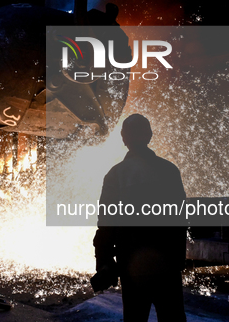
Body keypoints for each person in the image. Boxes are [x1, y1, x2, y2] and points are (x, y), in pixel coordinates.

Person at [92, 114, 187, 322]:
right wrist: (179, 261)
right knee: (173, 318)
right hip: (167, 266)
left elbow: (106, 225)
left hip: (132, 266)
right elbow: (180, 219)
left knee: (135, 319)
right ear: (149, 136)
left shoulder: (115, 175)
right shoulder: (169, 171)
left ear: (123, 139)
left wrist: (104, 263)